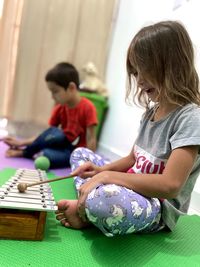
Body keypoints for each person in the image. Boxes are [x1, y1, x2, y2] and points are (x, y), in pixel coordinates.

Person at [55, 20, 200, 236]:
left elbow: (171, 185)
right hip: (129, 186)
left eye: (145, 70)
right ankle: (90, 199)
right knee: (81, 155)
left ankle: (87, 207)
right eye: (135, 73)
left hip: (157, 207)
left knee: (107, 201)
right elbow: (133, 159)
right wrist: (100, 171)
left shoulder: (191, 118)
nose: (140, 81)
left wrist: (106, 178)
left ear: (173, 65)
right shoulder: (151, 112)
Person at [4, 62, 98, 168]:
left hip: (75, 153)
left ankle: (27, 153)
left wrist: (90, 161)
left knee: (46, 154)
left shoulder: (88, 107)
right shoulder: (59, 108)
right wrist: (21, 142)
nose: (52, 97)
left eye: (55, 91)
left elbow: (91, 138)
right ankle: (25, 152)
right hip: (61, 146)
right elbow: (45, 136)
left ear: (71, 87)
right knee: (55, 134)